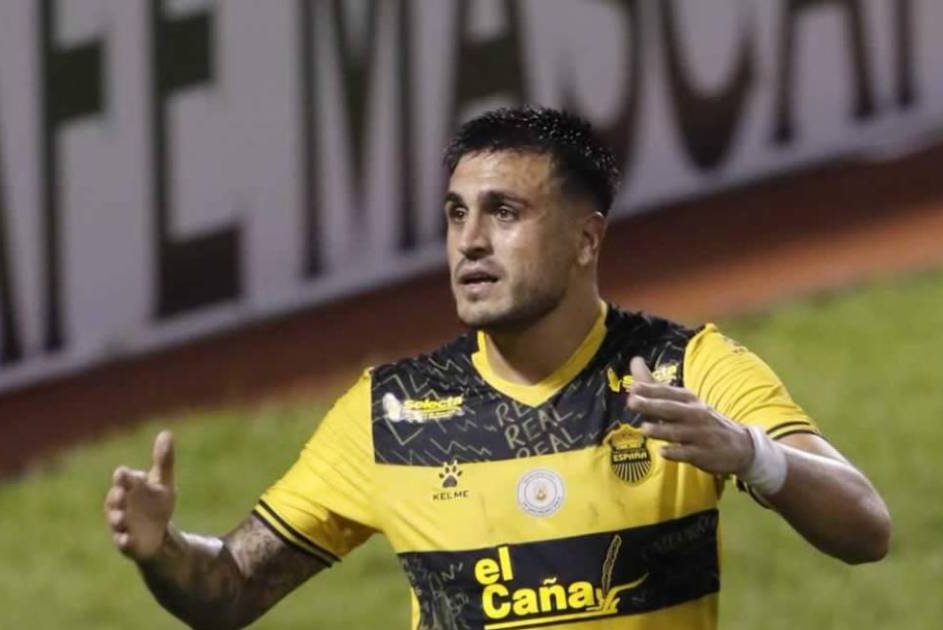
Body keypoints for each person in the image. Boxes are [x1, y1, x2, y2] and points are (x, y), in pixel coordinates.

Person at [103, 106, 890, 630]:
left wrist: (749, 453)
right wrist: (160, 548)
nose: (470, 241)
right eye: (456, 214)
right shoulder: (392, 413)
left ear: (586, 239)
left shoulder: (684, 369)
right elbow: (232, 590)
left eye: (504, 212)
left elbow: (865, 526)